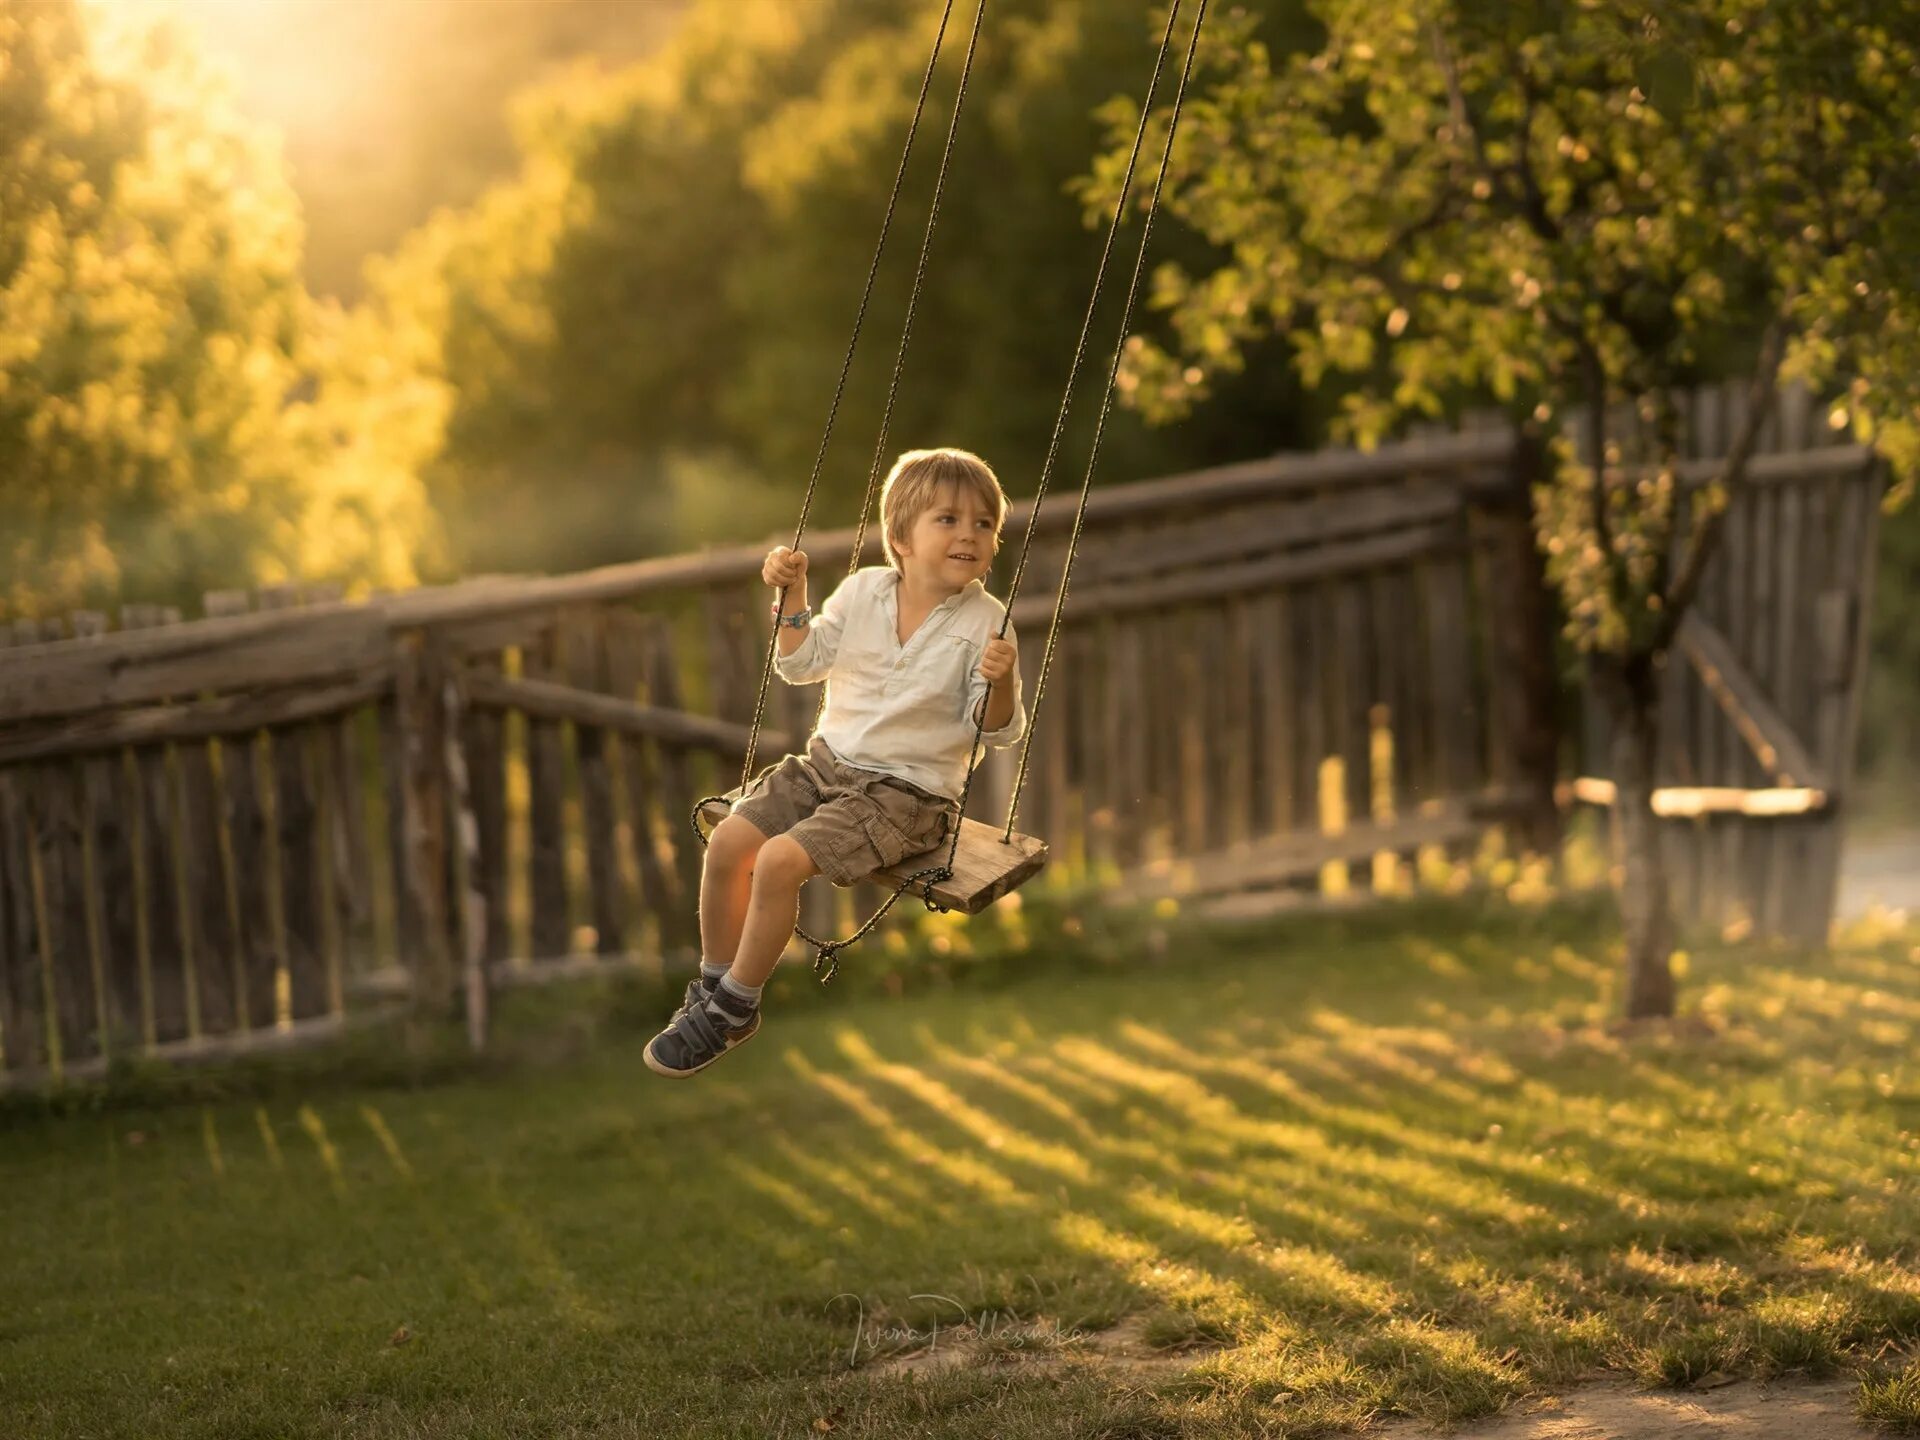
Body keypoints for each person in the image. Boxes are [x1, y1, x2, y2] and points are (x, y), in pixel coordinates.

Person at [644, 448, 1028, 1078]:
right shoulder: (862, 591)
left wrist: (1004, 681)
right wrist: (792, 592)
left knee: (776, 862)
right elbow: (798, 663)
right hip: (824, 767)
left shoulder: (989, 625)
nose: (969, 533)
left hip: (906, 797)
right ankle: (714, 990)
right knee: (728, 844)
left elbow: (998, 731)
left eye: (984, 524)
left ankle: (738, 1005)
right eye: (949, 519)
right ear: (900, 538)